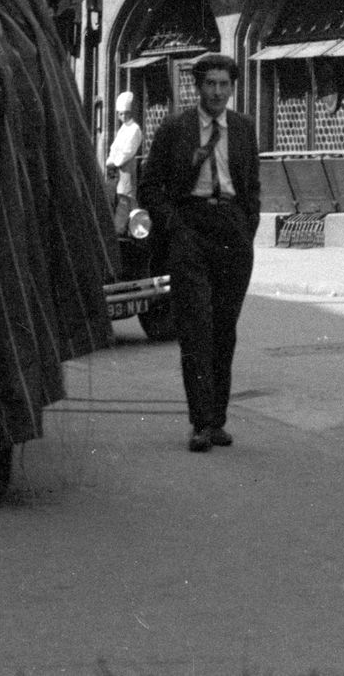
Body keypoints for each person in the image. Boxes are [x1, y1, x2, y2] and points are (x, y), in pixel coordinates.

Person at [139, 52, 260, 452]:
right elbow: (150, 187)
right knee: (195, 328)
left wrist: (245, 228)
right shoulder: (176, 129)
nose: (217, 92)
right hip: (190, 230)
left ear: (232, 87)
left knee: (225, 329)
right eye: (210, 84)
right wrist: (175, 228)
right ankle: (200, 423)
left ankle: (218, 420)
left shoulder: (243, 128)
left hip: (231, 235)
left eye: (224, 84)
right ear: (197, 87)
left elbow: (252, 187)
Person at [104, 89, 143, 235]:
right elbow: (114, 148)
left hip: (126, 169)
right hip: (115, 171)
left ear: (130, 113)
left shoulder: (135, 130)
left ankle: (121, 230)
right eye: (120, 114)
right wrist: (111, 159)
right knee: (118, 199)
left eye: (125, 113)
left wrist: (115, 161)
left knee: (125, 199)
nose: (123, 116)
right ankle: (129, 228)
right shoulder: (123, 129)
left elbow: (127, 152)